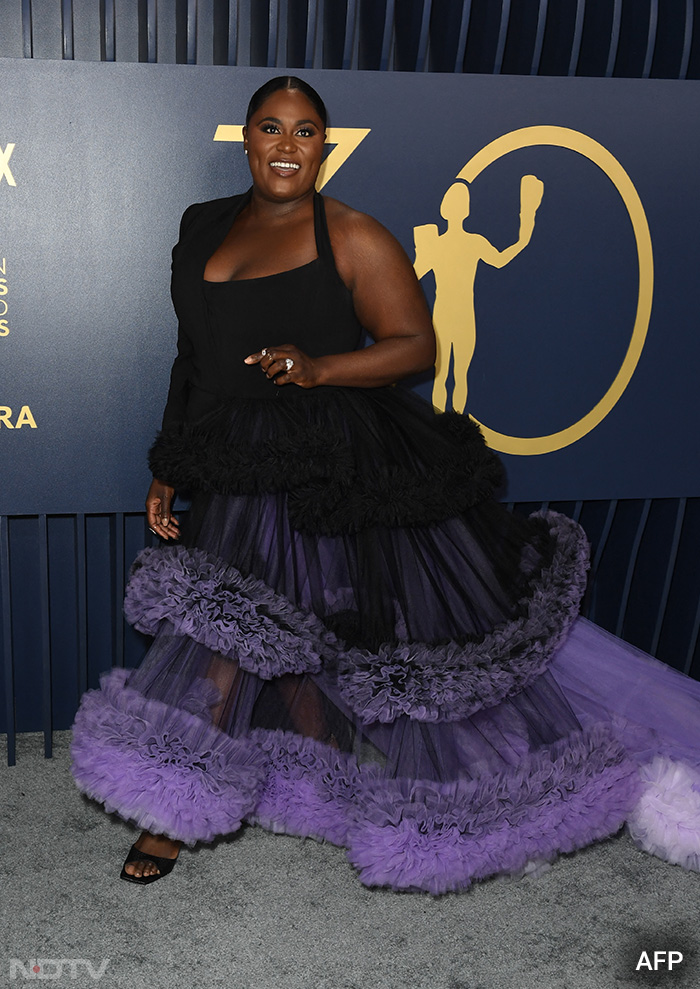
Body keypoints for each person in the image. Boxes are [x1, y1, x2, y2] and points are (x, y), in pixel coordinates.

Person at [71, 76, 700, 892]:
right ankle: (319, 776)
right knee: (268, 627)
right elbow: (193, 358)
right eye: (272, 127)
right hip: (233, 458)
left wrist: (319, 365)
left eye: (306, 131)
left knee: (249, 636)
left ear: (324, 147)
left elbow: (415, 347)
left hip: (335, 454)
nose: (288, 145)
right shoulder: (200, 227)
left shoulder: (354, 233)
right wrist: (168, 464)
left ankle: (173, 808)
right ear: (248, 137)